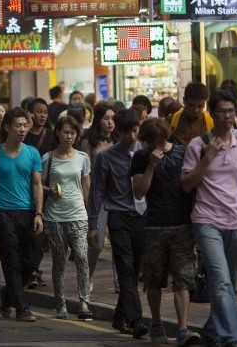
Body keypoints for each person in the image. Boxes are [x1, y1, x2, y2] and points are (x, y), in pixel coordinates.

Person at [181, 90, 237, 347]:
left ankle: (211, 330)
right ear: (212, 113)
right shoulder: (197, 146)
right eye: (223, 111)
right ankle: (233, 337)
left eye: (232, 111)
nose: (229, 116)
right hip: (206, 220)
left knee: (229, 285)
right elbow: (186, 184)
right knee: (220, 281)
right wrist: (207, 157)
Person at [132, 118, 201, 346]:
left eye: (161, 140)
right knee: (154, 279)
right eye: (152, 142)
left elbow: (191, 185)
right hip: (154, 226)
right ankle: (157, 323)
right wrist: (151, 164)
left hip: (182, 225)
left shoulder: (183, 153)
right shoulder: (142, 157)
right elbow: (139, 192)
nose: (158, 145)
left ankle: (183, 328)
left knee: (183, 278)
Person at [88, 108, 147, 338]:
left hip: (142, 216)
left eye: (134, 131)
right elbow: (97, 192)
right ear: (118, 133)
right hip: (119, 217)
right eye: (126, 132)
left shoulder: (145, 153)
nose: (131, 137)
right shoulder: (106, 157)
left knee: (135, 270)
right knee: (124, 267)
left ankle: (120, 316)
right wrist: (93, 225)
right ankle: (137, 319)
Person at [0, 107, 45, 322]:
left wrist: (39, 213)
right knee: (11, 260)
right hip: (2, 211)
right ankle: (22, 306)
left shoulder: (32, 152)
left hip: (28, 211)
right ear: (7, 127)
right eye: (18, 125)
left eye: (25, 125)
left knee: (33, 258)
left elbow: (37, 184)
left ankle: (8, 294)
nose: (23, 129)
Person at [41, 116, 92, 321]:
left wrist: (91, 215)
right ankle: (60, 303)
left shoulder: (82, 158)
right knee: (59, 262)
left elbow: (87, 187)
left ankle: (84, 302)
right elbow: (39, 185)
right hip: (54, 217)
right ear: (58, 133)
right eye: (66, 132)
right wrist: (50, 190)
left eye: (73, 132)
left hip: (78, 215)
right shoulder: (48, 158)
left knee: (81, 257)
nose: (69, 136)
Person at [81, 102, 118, 292]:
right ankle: (87, 275)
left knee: (120, 241)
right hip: (97, 197)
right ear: (98, 119)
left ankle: (120, 282)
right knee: (96, 242)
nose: (110, 122)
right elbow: (84, 174)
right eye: (106, 118)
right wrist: (88, 201)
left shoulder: (118, 140)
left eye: (113, 118)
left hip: (118, 196)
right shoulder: (89, 141)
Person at [170, 82, 214, 146]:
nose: (196, 110)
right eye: (191, 105)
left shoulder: (211, 121)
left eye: (200, 106)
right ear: (184, 100)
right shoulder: (172, 120)